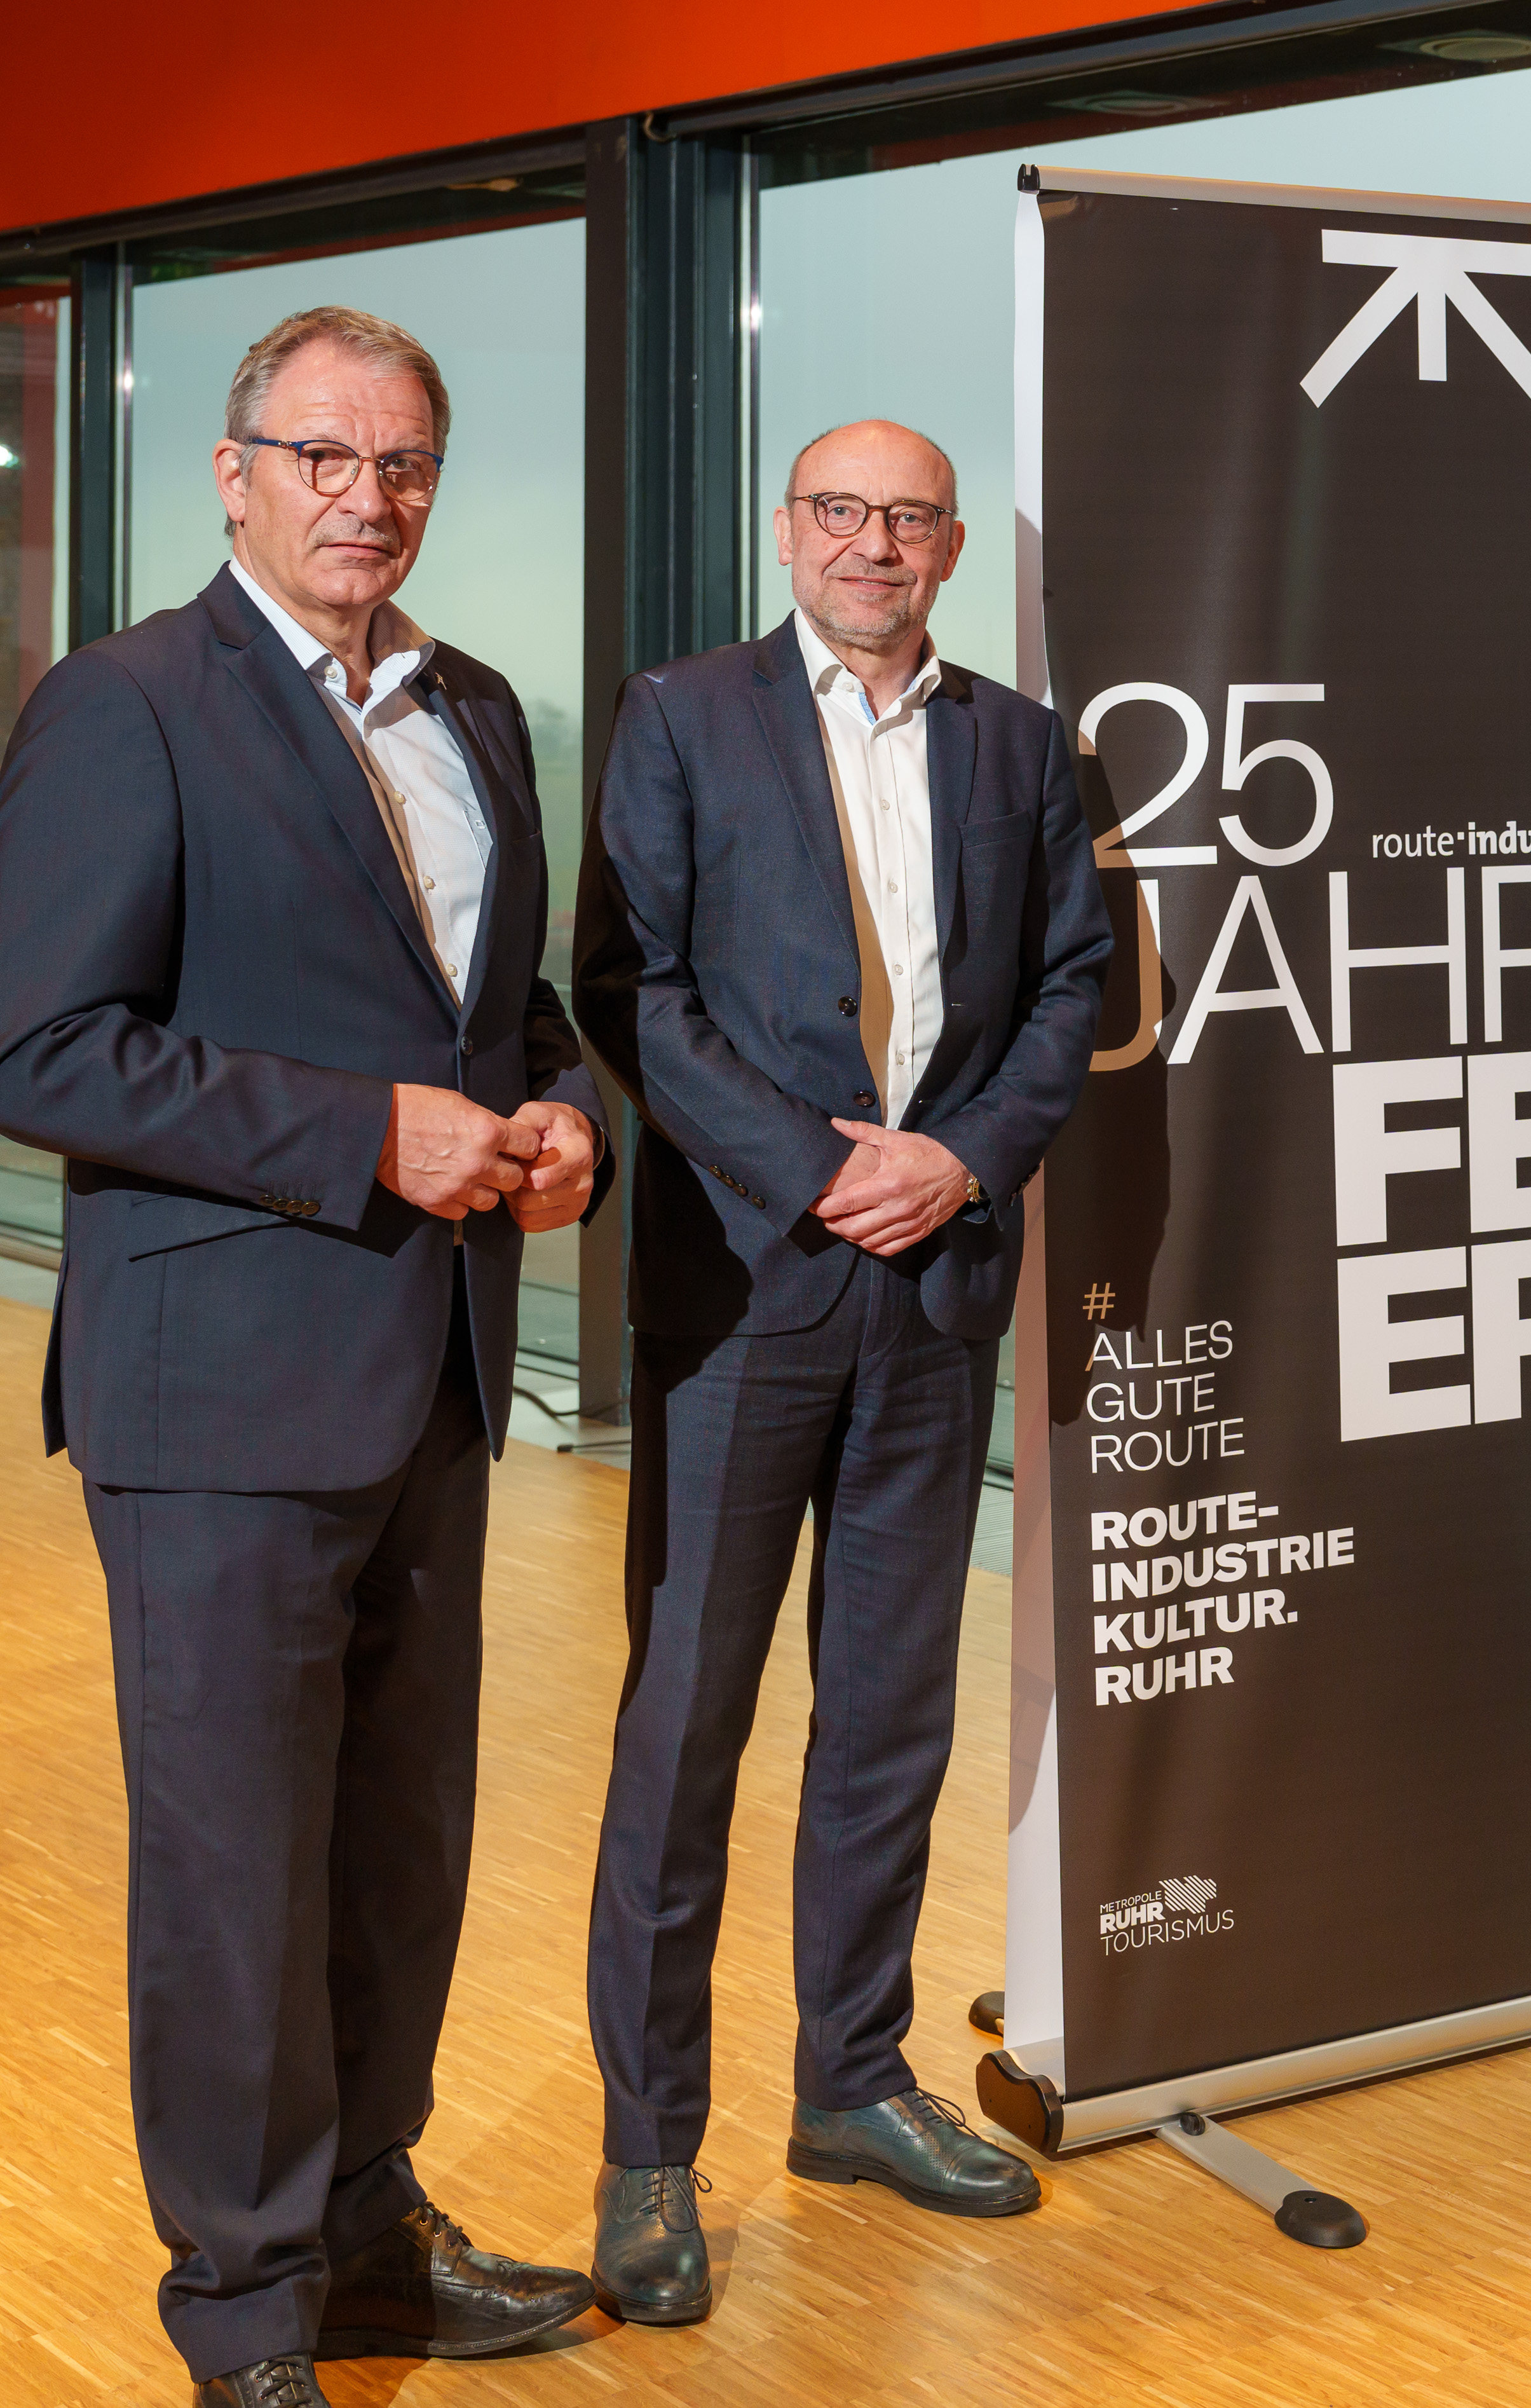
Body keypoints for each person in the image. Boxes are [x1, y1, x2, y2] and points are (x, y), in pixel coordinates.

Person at [0, 306, 602, 2406]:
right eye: (326, 456)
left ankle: (365, 2231)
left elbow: (497, 1002)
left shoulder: (483, 710)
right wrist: (363, 1134)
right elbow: (39, 1041)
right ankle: (245, 2307)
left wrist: (559, 1108)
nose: (370, 495)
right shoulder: (128, 706)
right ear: (235, 471)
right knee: (237, 1868)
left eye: (406, 459)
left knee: (395, 1846)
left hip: (428, 1377)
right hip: (218, 1395)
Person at [573, 418, 1112, 2323]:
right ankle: (651, 2145)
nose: (872, 542)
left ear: (951, 545)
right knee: (686, 1729)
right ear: (787, 528)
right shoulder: (681, 713)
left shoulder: (1020, 745)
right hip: (746, 1290)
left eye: (907, 515)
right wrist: (824, 1166)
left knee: (890, 1719)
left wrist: (957, 1158)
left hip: (940, 1284)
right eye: (839, 510)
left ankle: (853, 2081)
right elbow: (630, 987)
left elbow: (1075, 988)